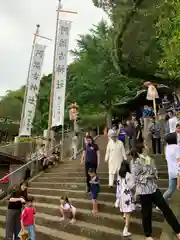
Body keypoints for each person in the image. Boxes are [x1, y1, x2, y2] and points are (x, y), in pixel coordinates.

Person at [131, 150, 180, 240]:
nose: (147, 148)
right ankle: (148, 235)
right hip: (144, 191)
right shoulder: (135, 162)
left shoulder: (149, 159)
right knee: (146, 214)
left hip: (154, 188)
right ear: (140, 150)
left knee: (166, 209)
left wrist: (154, 174)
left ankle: (178, 230)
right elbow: (135, 177)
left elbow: (155, 171)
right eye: (145, 147)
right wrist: (147, 176)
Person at [115, 161, 135, 237]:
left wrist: (117, 198)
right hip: (127, 195)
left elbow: (118, 187)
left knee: (126, 211)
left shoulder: (119, 175)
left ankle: (124, 215)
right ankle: (125, 229)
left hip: (121, 196)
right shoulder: (129, 175)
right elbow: (131, 186)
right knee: (128, 212)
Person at [162, 133, 178, 202]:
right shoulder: (177, 147)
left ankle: (160, 204)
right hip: (178, 171)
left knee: (170, 189)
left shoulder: (167, 148)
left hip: (171, 171)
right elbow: (178, 159)